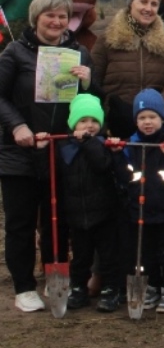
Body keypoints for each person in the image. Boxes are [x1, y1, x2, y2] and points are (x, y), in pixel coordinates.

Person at [0, 0, 94, 312]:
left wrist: (88, 84)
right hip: (20, 152)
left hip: (62, 152)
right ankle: (24, 287)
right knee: (21, 221)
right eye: (50, 15)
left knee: (58, 220)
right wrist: (17, 127)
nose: (56, 22)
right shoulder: (15, 52)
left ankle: (58, 278)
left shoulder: (79, 53)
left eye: (62, 16)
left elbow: (91, 104)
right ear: (36, 17)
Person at [37, 95, 123, 313]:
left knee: (109, 255)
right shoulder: (64, 147)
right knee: (80, 256)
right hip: (75, 213)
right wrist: (42, 150)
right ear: (73, 123)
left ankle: (111, 289)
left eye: (94, 121)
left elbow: (102, 165)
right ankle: (78, 288)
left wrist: (88, 142)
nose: (89, 125)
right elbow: (48, 174)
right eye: (83, 120)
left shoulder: (103, 144)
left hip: (105, 212)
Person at [121, 88, 164, 315]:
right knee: (146, 254)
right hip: (141, 210)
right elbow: (126, 176)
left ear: (162, 118)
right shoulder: (131, 145)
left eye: (152, 117)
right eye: (141, 118)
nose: (147, 122)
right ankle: (151, 287)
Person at [91, 0, 164, 139]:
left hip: (153, 128)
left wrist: (158, 110)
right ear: (130, 4)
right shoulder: (108, 39)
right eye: (143, 1)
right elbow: (94, 80)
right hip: (115, 127)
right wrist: (106, 115)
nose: (148, 8)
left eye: (154, 4)